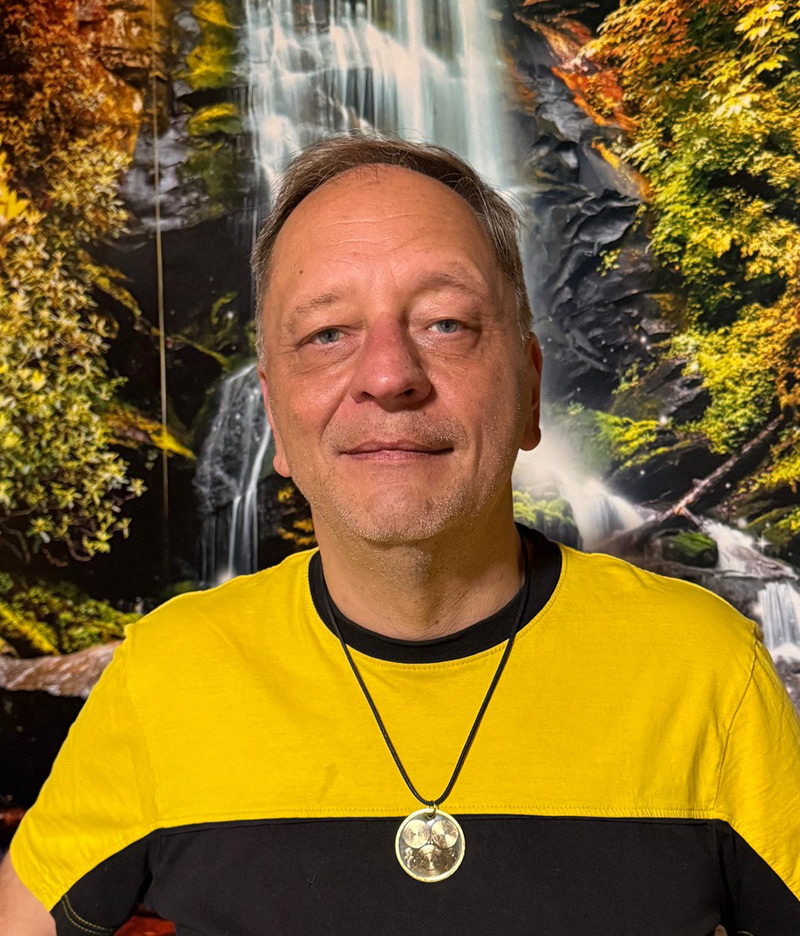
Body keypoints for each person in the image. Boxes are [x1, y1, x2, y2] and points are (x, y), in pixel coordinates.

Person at [1, 134, 799, 936]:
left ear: (529, 391)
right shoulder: (167, 678)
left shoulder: (707, 672)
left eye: (446, 323)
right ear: (272, 415)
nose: (388, 376)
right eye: (327, 334)